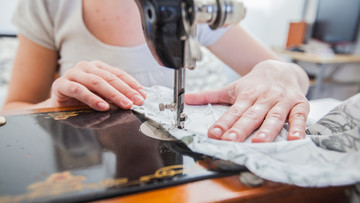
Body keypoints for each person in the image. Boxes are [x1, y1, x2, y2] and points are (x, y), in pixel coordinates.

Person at [2, 0, 310, 143]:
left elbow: (294, 73)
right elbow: (12, 111)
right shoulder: (49, 5)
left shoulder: (193, 7)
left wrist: (278, 73)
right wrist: (51, 105)